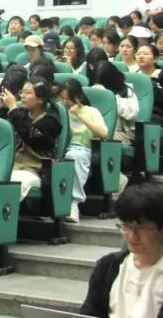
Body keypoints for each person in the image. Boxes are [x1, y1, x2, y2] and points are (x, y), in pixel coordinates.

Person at [80, 182, 163, 318]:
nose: (132, 235)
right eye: (126, 226)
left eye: (141, 227)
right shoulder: (107, 266)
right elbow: (89, 313)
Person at [0, 80, 60, 200]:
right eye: (22, 92)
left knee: (12, 184)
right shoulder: (19, 114)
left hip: (33, 170)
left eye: (27, 93)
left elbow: (31, 137)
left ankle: (0, 211)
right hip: (9, 166)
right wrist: (4, 109)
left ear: (40, 99)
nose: (22, 96)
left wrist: (13, 109)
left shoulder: (50, 121)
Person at [58, 79, 107, 223]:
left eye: (69, 99)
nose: (65, 102)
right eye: (62, 98)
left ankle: (73, 203)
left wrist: (79, 115)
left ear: (78, 96)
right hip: (62, 148)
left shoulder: (91, 111)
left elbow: (103, 133)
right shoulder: (60, 112)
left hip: (82, 148)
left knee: (74, 156)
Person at [134, 45, 163, 125]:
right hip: (135, 111)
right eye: (138, 54)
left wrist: (150, 84)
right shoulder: (135, 77)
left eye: (145, 54)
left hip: (158, 114)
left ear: (155, 59)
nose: (141, 56)